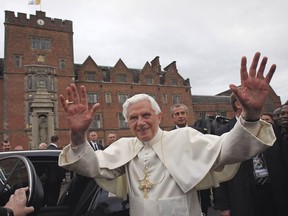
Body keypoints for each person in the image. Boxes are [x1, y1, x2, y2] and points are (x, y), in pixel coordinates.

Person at [58, 52, 276, 216]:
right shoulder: (124, 147)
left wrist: (250, 116)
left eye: (146, 115)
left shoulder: (184, 138)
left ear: (159, 117)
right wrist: (78, 135)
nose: (140, 123)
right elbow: (90, 166)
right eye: (133, 118)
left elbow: (229, 150)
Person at [214, 95, 288, 216]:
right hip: (242, 196)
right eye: (251, 98)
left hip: (274, 192)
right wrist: (224, 204)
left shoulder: (270, 128)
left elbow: (284, 160)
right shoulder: (222, 132)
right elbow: (218, 171)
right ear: (238, 104)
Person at [170, 103, 211, 216]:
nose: (180, 116)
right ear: (173, 118)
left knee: (203, 209)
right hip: (180, 183)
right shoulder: (168, 137)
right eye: (177, 114)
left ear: (187, 115)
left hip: (200, 180)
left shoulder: (200, 132)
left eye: (183, 113)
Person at [44, 135, 66, 206]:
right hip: (56, 180)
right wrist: (63, 177)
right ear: (58, 140)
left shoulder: (46, 150)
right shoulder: (58, 152)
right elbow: (61, 166)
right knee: (54, 199)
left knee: (48, 197)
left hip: (47, 179)